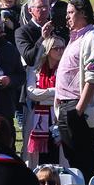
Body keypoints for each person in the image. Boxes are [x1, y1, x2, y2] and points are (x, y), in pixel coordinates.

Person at [54, 0, 94, 182]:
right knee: (72, 158)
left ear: (83, 13)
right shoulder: (75, 37)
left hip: (77, 108)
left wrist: (79, 109)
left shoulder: (92, 37)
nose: (67, 17)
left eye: (71, 12)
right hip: (66, 106)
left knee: (84, 160)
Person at [24, 36, 64, 167]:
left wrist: (45, 93)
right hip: (38, 118)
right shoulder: (34, 69)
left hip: (59, 116)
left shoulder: (65, 69)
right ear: (47, 50)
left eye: (62, 48)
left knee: (58, 155)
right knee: (38, 159)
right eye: (56, 48)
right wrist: (54, 91)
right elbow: (31, 93)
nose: (60, 51)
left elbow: (65, 92)